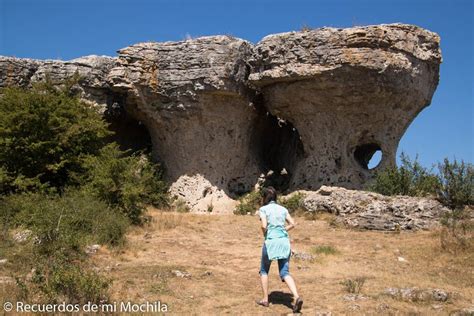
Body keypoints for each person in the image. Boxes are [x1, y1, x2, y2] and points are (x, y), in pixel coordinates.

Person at [256, 186, 303, 313]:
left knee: (264, 270)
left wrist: (266, 233)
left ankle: (265, 299)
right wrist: (282, 230)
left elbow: (264, 225)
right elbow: (293, 224)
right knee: (284, 272)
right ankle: (297, 297)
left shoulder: (263, 209)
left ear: (265, 198)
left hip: (271, 242)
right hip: (284, 242)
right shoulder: (283, 209)